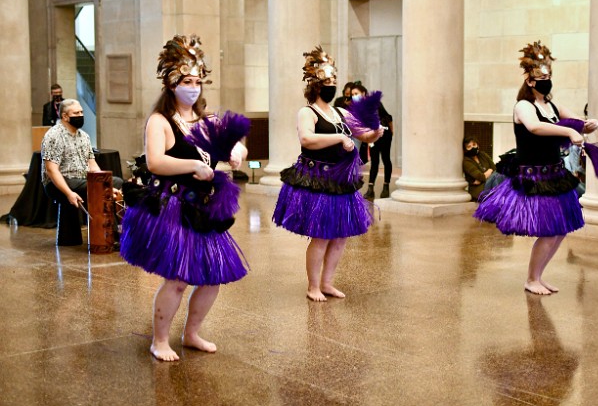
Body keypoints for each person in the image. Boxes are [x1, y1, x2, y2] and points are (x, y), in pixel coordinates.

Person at [120, 34, 249, 361]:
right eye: (186, 81)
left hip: (206, 208)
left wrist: (237, 151)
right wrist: (191, 164)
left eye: (196, 81)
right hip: (174, 206)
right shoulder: (160, 121)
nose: (193, 86)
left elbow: (235, 144)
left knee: (212, 277)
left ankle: (192, 332)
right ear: (171, 83)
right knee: (177, 279)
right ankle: (159, 339)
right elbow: (155, 161)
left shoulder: (206, 120)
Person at [474, 41, 598, 295]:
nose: (546, 80)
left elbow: (574, 120)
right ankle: (531, 279)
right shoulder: (523, 106)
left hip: (554, 174)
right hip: (534, 176)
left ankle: (538, 277)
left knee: (561, 229)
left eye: (549, 76)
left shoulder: (552, 106)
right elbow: (535, 127)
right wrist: (567, 130)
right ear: (530, 81)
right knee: (551, 231)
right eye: (542, 77)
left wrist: (587, 124)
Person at [272, 46, 383, 302]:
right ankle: (313, 286)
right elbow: (307, 139)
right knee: (321, 236)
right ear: (316, 85)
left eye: (334, 81)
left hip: (340, 181)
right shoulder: (307, 112)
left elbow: (362, 134)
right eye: (327, 82)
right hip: (318, 180)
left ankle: (328, 282)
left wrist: (375, 133)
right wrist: (338, 138)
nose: (332, 86)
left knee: (340, 236)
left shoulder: (341, 113)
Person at [41, 99, 123, 208]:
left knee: (117, 182)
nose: (80, 115)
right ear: (65, 116)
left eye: (81, 112)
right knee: (95, 186)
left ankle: (105, 223)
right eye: (76, 113)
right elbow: (51, 170)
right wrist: (69, 193)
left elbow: (92, 165)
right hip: (60, 181)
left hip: (82, 179)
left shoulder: (84, 136)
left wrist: (104, 182)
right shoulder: (54, 136)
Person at [352, 83, 394, 199]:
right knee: (375, 161)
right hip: (372, 136)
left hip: (384, 134)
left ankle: (386, 186)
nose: (354, 96)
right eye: (353, 95)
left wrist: (391, 132)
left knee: (385, 159)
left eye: (356, 94)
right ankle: (371, 189)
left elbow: (388, 117)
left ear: (363, 93)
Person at [462, 136, 496, 201]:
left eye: (474, 145)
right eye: (469, 147)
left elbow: (494, 168)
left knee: (498, 175)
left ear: (478, 145)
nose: (473, 147)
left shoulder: (483, 154)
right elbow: (480, 176)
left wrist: (488, 173)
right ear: (465, 150)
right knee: (496, 176)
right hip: (479, 190)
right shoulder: (466, 161)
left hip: (490, 184)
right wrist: (490, 171)